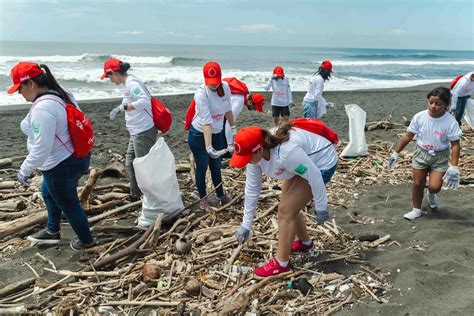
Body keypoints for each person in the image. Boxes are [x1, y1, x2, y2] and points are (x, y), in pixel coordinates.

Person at [230, 123, 338, 277]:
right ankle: (306, 244)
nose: (246, 161)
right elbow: (252, 190)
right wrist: (246, 224)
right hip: (302, 162)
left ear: (259, 149)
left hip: (321, 162)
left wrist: (321, 207)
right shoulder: (255, 156)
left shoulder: (286, 153)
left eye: (247, 158)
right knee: (287, 206)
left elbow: (314, 174)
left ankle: (281, 264)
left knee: (285, 211)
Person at [7, 62, 94, 250]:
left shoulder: (43, 109)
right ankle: (52, 231)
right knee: (48, 192)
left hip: (60, 165)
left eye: (19, 89)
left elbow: (42, 147)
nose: (20, 95)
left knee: (69, 205)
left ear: (30, 83)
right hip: (76, 156)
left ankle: (86, 241)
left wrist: (24, 171)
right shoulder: (62, 93)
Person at [388, 87, 462, 220]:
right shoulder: (419, 117)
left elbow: (455, 145)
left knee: (434, 187)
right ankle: (416, 210)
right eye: (431, 102)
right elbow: (408, 135)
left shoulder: (450, 122)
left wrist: (454, 166)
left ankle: (432, 194)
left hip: (440, 156)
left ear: (446, 105)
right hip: (421, 153)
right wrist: (396, 152)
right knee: (417, 184)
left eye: (438, 103)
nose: (433, 106)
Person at [101, 58, 157, 201]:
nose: (109, 80)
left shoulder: (132, 83)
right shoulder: (128, 84)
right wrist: (120, 108)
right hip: (136, 131)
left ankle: (151, 198)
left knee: (142, 166)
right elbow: (129, 99)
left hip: (143, 130)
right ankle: (135, 195)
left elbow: (144, 101)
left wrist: (124, 108)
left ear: (114, 73)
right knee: (130, 163)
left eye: (109, 76)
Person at [188, 62, 236, 209]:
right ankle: (203, 199)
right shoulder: (201, 94)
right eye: (210, 82)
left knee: (216, 166)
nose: (213, 85)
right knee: (202, 167)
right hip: (199, 134)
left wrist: (233, 129)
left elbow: (228, 109)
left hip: (217, 133)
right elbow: (206, 122)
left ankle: (220, 194)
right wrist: (208, 147)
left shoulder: (225, 87)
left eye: (216, 82)